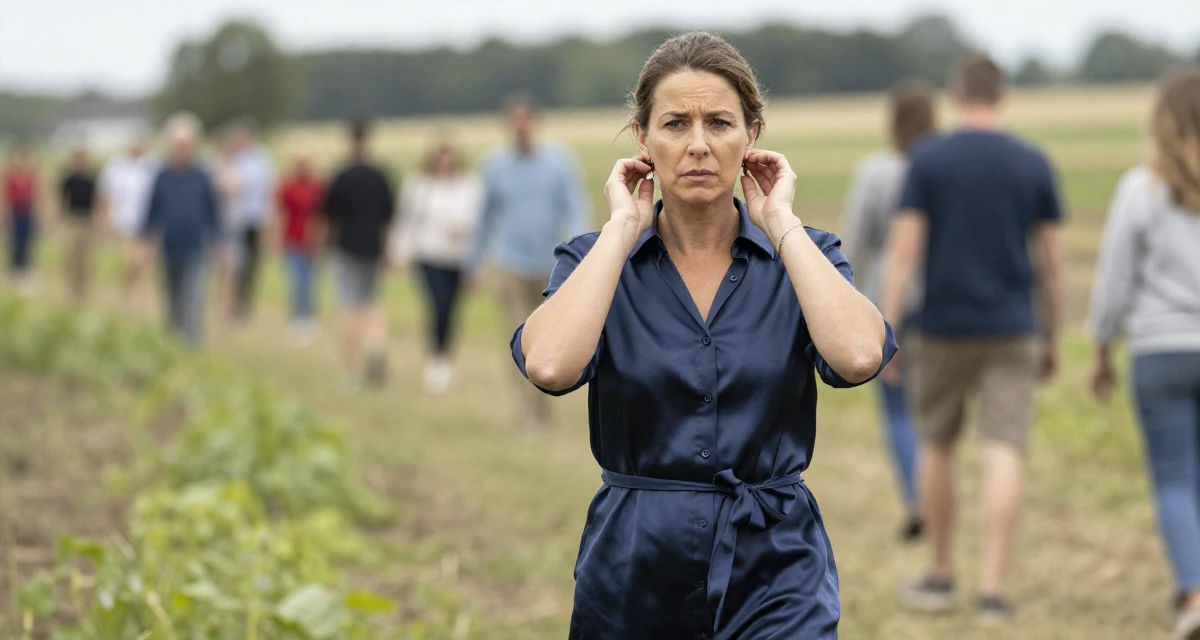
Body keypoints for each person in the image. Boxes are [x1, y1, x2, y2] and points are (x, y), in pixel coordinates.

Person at [512, 32, 896, 638]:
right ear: (642, 137)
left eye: (719, 123)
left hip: (776, 564)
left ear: (752, 134)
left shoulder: (806, 256)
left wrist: (782, 222)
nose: (697, 145)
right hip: (633, 568)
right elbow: (550, 367)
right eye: (674, 124)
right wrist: (621, 230)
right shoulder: (593, 261)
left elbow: (857, 356)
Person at [880, 53, 1065, 622]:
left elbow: (903, 253)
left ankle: (940, 574)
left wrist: (886, 328)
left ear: (958, 96)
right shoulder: (1033, 161)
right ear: (1001, 96)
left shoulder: (928, 159)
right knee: (1003, 447)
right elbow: (1053, 265)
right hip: (1013, 325)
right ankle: (991, 590)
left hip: (942, 326)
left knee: (937, 444)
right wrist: (1052, 332)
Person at [1087, 67, 1200, 640]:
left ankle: (1195, 592)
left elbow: (1114, 280)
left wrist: (1102, 347)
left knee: (1177, 477)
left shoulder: (1141, 189)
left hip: (1159, 351)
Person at [840, 79, 938, 541]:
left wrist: (845, 293)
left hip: (887, 302)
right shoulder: (942, 167)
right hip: (940, 301)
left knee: (898, 411)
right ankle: (940, 496)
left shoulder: (875, 172)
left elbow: (856, 240)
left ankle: (919, 501)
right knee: (936, 413)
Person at [469, 93, 590, 430]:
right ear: (508, 125)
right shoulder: (494, 166)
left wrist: (580, 253)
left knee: (552, 340)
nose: (521, 128)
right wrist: (474, 263)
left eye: (526, 120)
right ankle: (529, 414)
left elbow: (575, 207)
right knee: (517, 339)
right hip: (509, 264)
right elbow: (484, 218)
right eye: (515, 121)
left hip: (551, 266)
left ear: (535, 123)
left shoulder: (558, 162)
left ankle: (545, 404)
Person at [391, 140, 483, 393]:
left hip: (458, 257)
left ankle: (444, 357)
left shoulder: (469, 186)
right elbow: (406, 220)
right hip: (429, 255)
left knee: (452, 309)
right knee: (438, 305)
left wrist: (475, 258)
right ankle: (435, 357)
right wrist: (399, 251)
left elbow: (479, 222)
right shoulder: (419, 186)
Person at [322, 118, 395, 387]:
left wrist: (325, 246)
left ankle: (352, 369)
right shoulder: (380, 175)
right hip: (373, 247)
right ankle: (375, 345)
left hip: (346, 247)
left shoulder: (341, 176)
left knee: (348, 307)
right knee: (373, 302)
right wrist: (386, 248)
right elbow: (388, 216)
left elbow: (329, 216)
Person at [141, 113, 220, 347]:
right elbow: (152, 211)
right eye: (178, 145)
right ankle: (172, 343)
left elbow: (212, 212)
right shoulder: (162, 177)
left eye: (186, 145)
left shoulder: (202, 177)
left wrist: (216, 242)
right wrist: (145, 242)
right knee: (173, 300)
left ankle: (191, 347)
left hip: (196, 247)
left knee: (193, 299)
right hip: (169, 247)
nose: (182, 150)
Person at [98, 133, 158, 311]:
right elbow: (107, 194)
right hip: (123, 223)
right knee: (129, 261)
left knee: (142, 263)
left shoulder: (152, 165)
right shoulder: (115, 165)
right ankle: (129, 294)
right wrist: (106, 219)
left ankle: (138, 296)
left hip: (146, 223)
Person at [227, 118, 275, 322]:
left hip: (254, 219)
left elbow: (267, 191)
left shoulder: (262, 159)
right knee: (234, 264)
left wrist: (268, 220)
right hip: (233, 220)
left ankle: (245, 305)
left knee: (251, 265)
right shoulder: (231, 158)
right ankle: (231, 304)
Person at [276, 152, 325, 345]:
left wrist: (321, 239)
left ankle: (310, 318)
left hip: (312, 242)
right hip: (293, 240)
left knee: (310, 283)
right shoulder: (289, 186)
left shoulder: (317, 187)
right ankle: (296, 318)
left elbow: (322, 215)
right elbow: (280, 212)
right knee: (296, 282)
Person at [59, 146, 99, 302]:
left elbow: (96, 199)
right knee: (71, 255)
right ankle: (71, 288)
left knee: (85, 257)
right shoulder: (69, 178)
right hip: (73, 218)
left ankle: (83, 289)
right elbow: (63, 199)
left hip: (86, 219)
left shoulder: (90, 178)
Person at [3, 143, 39, 294]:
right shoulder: (11, 176)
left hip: (28, 211)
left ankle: (26, 272)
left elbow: (36, 196)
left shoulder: (32, 176)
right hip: (15, 211)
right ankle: (15, 273)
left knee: (27, 242)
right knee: (15, 243)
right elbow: (5, 197)